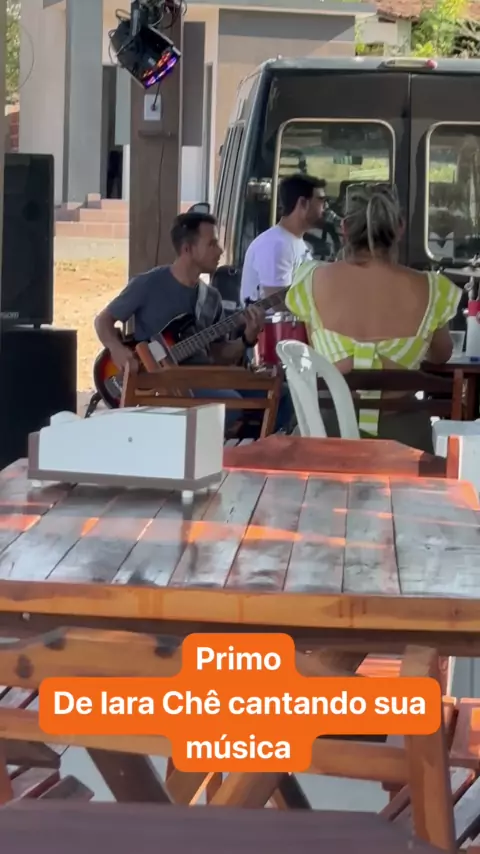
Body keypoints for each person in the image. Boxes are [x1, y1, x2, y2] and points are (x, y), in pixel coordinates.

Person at [285, 184, 461, 453]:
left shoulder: (311, 280)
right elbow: (442, 354)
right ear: (399, 227)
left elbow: (313, 350)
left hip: (327, 437)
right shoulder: (432, 289)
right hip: (405, 443)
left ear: (344, 228)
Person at [94, 211, 293, 435]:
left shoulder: (211, 298)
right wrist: (117, 349)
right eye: (212, 244)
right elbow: (103, 321)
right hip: (165, 385)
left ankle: (254, 450)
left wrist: (247, 338)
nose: (220, 251)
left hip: (205, 378)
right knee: (230, 406)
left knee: (284, 396)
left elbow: (218, 356)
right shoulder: (148, 284)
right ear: (187, 249)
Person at [240, 174, 327, 304]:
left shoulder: (292, 242)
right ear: (303, 203)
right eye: (321, 200)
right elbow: (279, 305)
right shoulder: (276, 245)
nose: (325, 207)